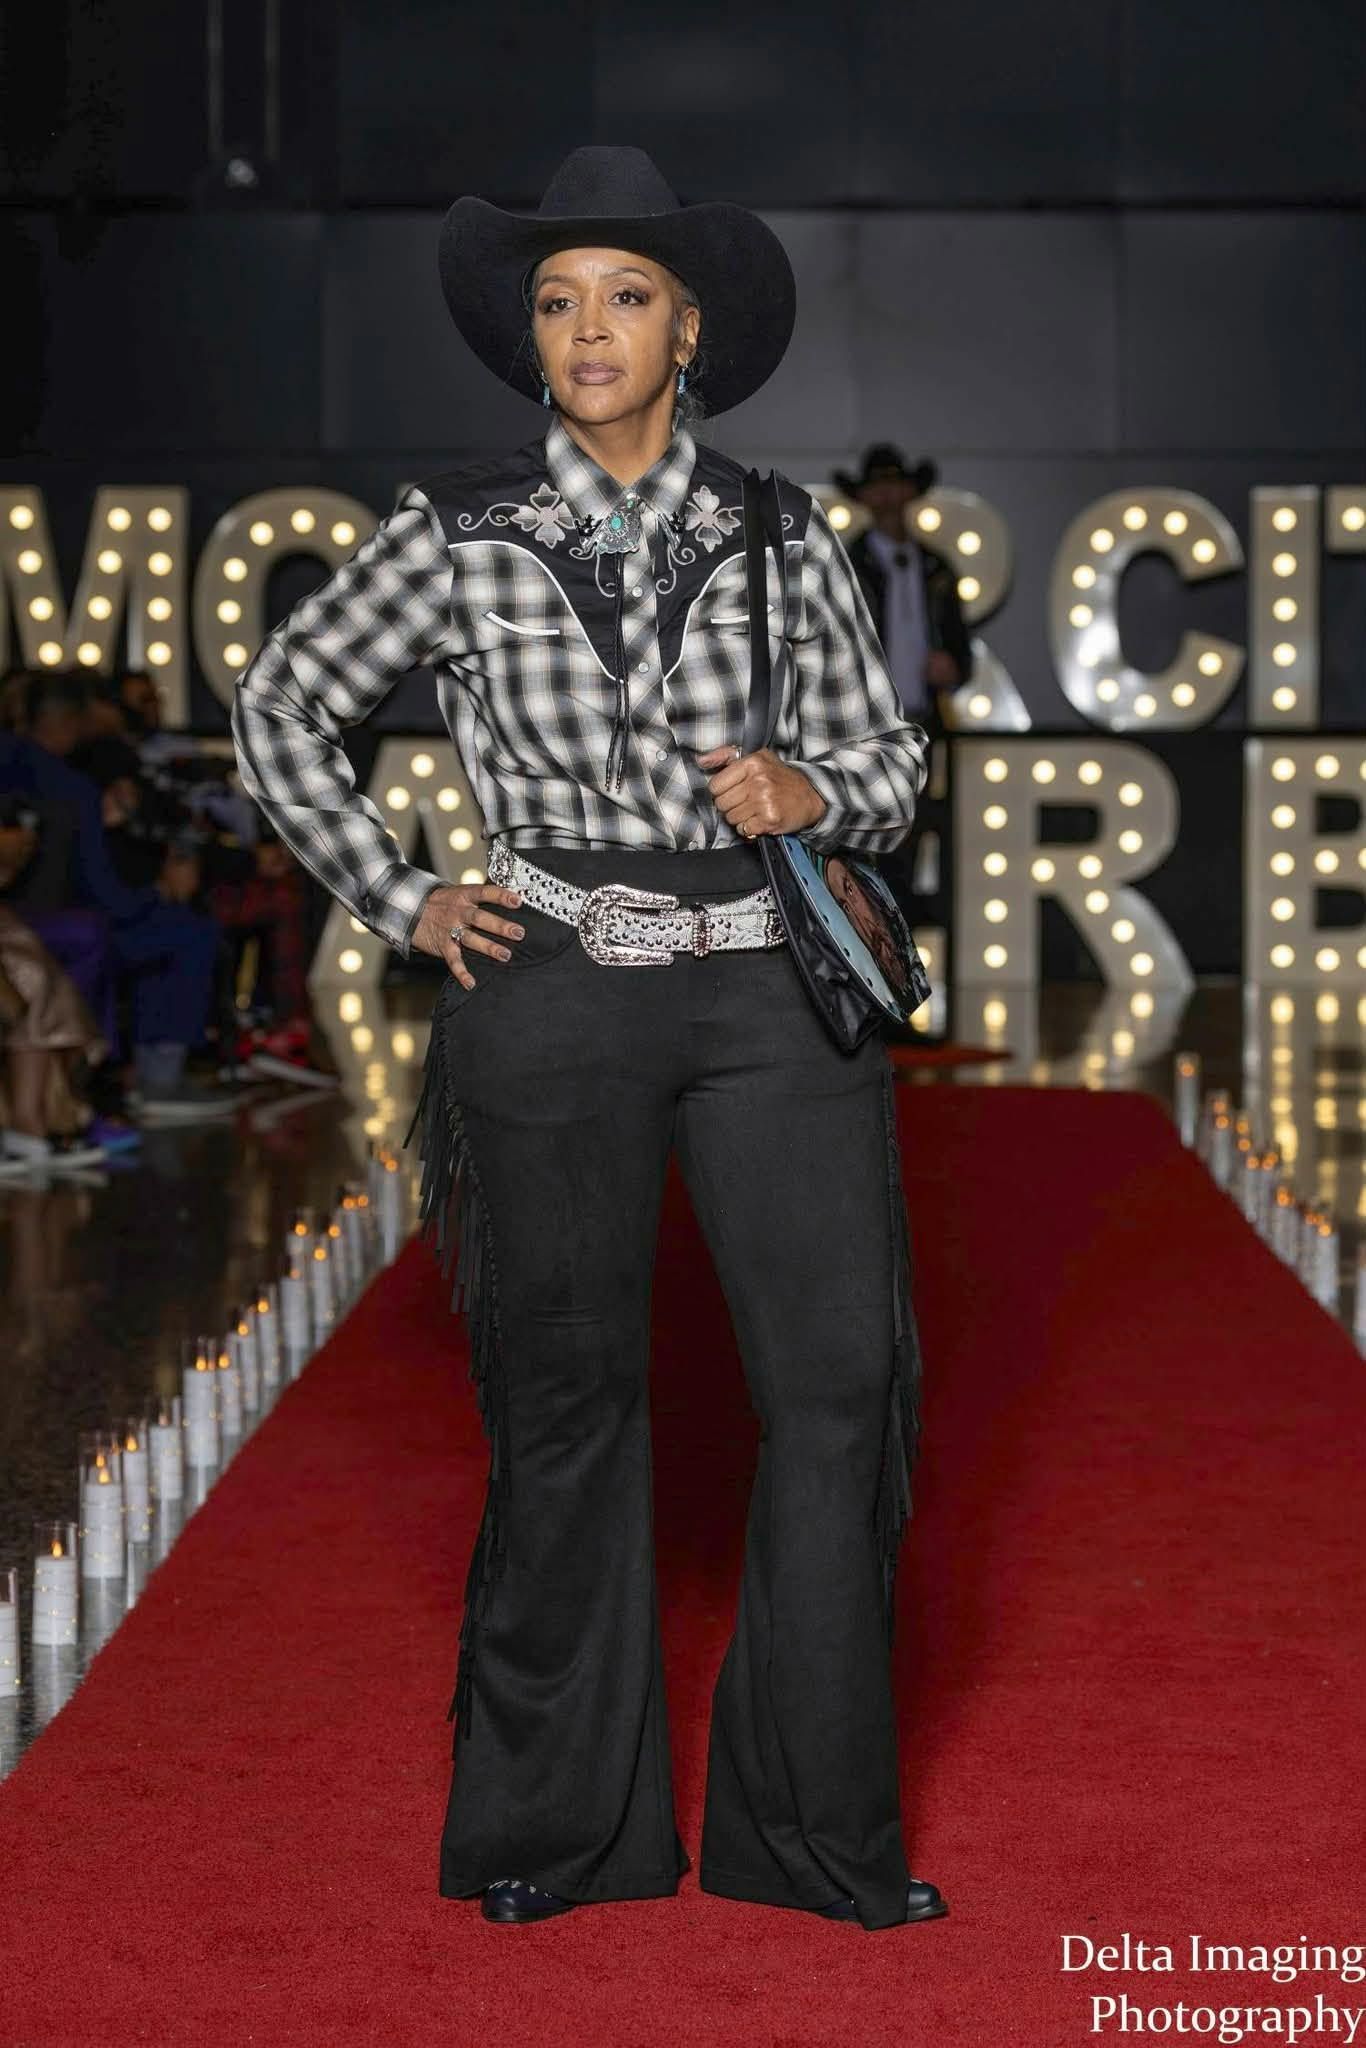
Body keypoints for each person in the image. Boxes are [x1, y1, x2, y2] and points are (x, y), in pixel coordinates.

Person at [232, 145, 945, 1934]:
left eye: (623, 295)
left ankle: (814, 1836)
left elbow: (894, 760)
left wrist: (811, 782)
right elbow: (281, 698)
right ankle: (560, 1831)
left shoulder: (783, 533)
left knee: (838, 1393)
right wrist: (397, 898)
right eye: (556, 303)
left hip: (773, 990)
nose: (587, 328)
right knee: (566, 1409)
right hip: (551, 987)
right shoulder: (458, 534)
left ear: (688, 329)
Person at [0, 674, 233, 1120]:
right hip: (47, 925)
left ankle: (76, 1097)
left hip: (33, 917)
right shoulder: (75, 786)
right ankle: (143, 1084)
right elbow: (109, 900)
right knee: (184, 931)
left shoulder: (35, 764)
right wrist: (162, 890)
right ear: (78, 719)